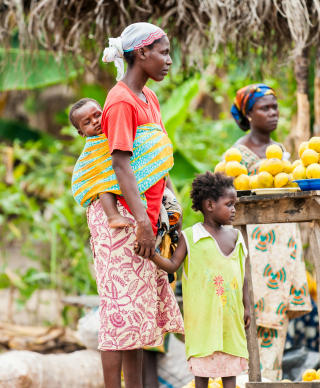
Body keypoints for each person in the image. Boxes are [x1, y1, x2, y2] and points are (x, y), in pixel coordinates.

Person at [86, 23, 184, 388]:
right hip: (123, 221)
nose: (169, 61)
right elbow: (121, 163)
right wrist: (142, 221)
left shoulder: (149, 99)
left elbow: (157, 160)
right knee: (118, 311)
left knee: (138, 312)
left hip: (145, 215)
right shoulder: (121, 100)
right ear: (141, 54)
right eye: (163, 52)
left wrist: (169, 207)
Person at [230, 84, 312, 381]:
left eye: (275, 107)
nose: (273, 113)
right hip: (257, 252)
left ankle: (272, 381)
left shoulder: (283, 153)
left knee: (277, 332)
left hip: (284, 252)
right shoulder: (237, 156)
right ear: (248, 113)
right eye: (265, 108)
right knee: (254, 323)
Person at [139, 172, 250, 388]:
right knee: (202, 376)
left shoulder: (236, 237)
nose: (234, 209)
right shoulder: (190, 237)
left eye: (234, 204)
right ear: (209, 205)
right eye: (229, 204)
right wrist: (152, 254)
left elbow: (243, 273)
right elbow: (172, 265)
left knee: (230, 374)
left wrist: (247, 305)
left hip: (231, 321)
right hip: (202, 322)